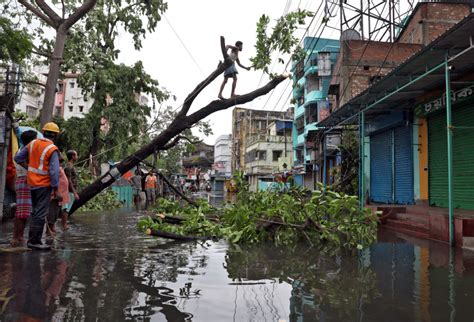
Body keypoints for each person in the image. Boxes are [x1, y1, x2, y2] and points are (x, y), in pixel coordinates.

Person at [14, 122, 61, 250]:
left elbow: (17, 158)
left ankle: (32, 240)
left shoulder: (32, 144)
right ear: (55, 135)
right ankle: (34, 241)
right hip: (44, 185)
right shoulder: (52, 149)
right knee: (40, 213)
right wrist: (56, 189)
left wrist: (29, 169)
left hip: (32, 183)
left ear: (43, 132)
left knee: (35, 212)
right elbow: (54, 172)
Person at [10, 130, 37, 247]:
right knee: (23, 213)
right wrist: (32, 169)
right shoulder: (27, 151)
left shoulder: (21, 150)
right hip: (25, 181)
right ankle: (18, 238)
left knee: (20, 212)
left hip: (21, 181)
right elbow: (20, 161)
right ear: (31, 141)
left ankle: (16, 237)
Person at [63, 150, 80, 230]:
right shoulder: (69, 166)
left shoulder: (70, 165)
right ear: (73, 156)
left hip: (70, 190)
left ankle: (64, 224)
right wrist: (74, 192)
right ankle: (65, 225)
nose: (77, 157)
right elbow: (69, 180)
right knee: (66, 208)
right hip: (69, 190)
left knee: (67, 208)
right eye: (76, 155)